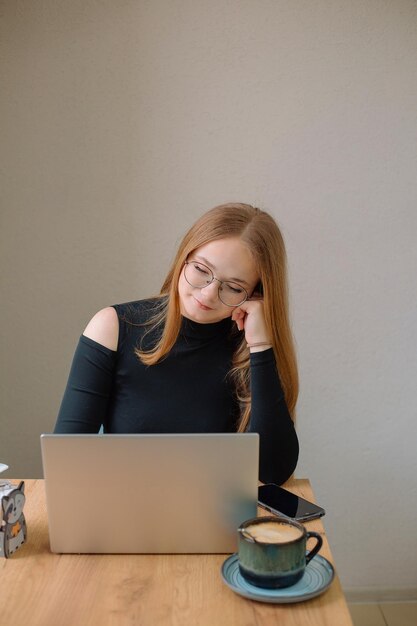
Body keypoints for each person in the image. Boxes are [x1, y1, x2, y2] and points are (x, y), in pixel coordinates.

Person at [54, 203, 299, 484]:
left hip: (215, 521)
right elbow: (66, 462)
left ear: (256, 293)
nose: (208, 295)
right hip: (123, 512)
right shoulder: (113, 327)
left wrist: (262, 346)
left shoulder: (252, 347)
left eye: (233, 287)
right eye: (200, 269)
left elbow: (273, 472)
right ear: (184, 256)